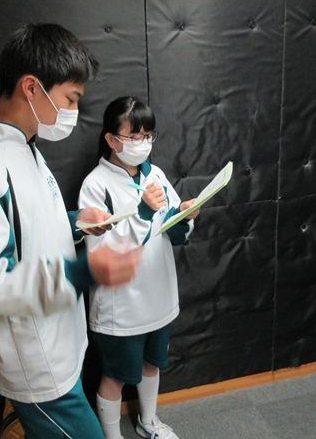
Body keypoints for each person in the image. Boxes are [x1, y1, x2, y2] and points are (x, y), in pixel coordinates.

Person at [0, 24, 142, 439]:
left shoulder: (24, 149)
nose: (74, 111)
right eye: (71, 99)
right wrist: (86, 271)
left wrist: (78, 222)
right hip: (35, 364)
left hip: (59, 343)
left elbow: (27, 231)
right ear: (31, 87)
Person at [79, 96, 199, 439]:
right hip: (121, 304)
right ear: (111, 139)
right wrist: (143, 213)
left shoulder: (155, 174)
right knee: (115, 375)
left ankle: (149, 423)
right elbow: (100, 249)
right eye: (134, 136)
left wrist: (184, 217)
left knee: (152, 363)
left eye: (148, 136)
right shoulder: (96, 185)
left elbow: (171, 227)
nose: (143, 143)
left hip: (157, 293)